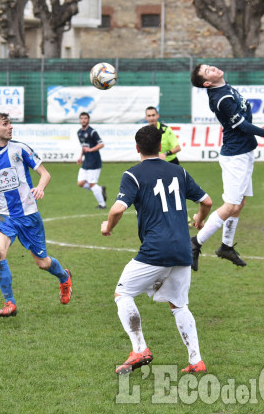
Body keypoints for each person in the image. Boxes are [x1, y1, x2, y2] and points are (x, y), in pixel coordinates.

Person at [101, 125, 213, 374]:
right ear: (160, 146)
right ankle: (196, 360)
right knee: (179, 305)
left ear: (137, 148)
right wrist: (200, 218)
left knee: (122, 294)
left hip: (156, 248)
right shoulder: (179, 172)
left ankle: (140, 348)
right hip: (183, 248)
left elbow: (118, 209)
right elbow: (206, 201)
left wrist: (107, 227)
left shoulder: (132, 175)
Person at [0, 112, 73, 317]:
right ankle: (9, 302)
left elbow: (45, 173)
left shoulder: (21, 149)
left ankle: (64, 277)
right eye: (5, 124)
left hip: (28, 216)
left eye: (10, 123)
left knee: (42, 263)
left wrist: (41, 187)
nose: (10, 127)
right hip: (3, 216)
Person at [189, 64, 264, 271]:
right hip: (235, 157)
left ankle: (226, 246)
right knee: (230, 206)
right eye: (208, 71)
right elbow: (243, 126)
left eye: (210, 66)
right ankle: (194, 244)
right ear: (207, 83)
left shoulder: (224, 88)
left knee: (239, 204)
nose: (213, 68)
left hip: (244, 153)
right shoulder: (221, 99)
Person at [76, 111, 107, 209]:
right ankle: (99, 189)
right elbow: (84, 146)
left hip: (94, 161)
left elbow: (101, 144)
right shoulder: (79, 132)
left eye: (85, 118)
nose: (83, 120)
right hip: (86, 161)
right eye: (82, 118)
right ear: (80, 120)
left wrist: (91, 150)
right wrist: (81, 157)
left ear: (88, 120)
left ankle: (102, 205)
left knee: (92, 184)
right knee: (80, 183)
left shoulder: (92, 132)